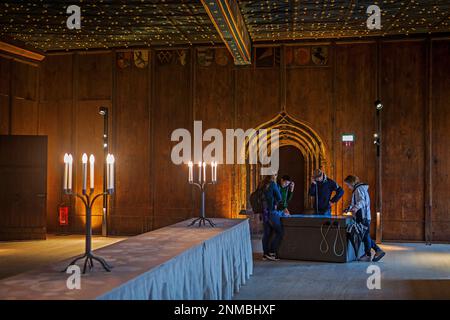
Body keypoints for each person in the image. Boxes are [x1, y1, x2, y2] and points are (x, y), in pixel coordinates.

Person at [344, 175, 386, 262]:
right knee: (364, 235)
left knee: (365, 236)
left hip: (363, 216)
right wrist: (349, 207)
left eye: (348, 184)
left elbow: (362, 201)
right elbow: (357, 201)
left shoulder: (359, 189)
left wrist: (355, 207)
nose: (348, 187)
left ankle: (369, 254)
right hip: (363, 216)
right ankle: (377, 251)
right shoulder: (358, 189)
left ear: (352, 183)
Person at [259, 174, 289, 261]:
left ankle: (265, 254)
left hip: (264, 213)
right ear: (273, 176)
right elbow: (279, 197)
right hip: (271, 212)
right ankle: (272, 252)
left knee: (267, 233)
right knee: (279, 231)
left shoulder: (261, 184)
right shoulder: (272, 184)